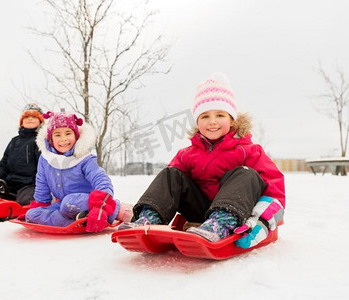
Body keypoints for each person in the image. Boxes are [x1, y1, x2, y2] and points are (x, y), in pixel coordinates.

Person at [119, 73, 285, 249]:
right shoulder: (187, 154)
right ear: (197, 121)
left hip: (237, 212)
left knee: (245, 173)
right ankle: (149, 219)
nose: (212, 122)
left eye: (220, 115)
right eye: (205, 116)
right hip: (201, 212)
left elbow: (275, 187)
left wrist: (262, 221)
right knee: (171, 174)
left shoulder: (249, 151)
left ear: (232, 119)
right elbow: (168, 189)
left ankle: (221, 223)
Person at [25, 110, 133, 232]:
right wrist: (40, 207)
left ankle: (113, 210)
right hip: (63, 207)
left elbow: (102, 180)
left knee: (68, 202)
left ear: (76, 136)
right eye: (57, 135)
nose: (63, 139)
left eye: (68, 133)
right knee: (32, 214)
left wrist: (99, 207)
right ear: (50, 138)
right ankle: (78, 222)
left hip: (89, 202)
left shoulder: (84, 159)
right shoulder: (46, 159)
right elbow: (42, 185)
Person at [0, 103, 44, 205]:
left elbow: (42, 166)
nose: (30, 119)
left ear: (40, 121)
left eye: (34, 117)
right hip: (9, 184)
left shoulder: (40, 141)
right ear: (21, 122)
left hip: (29, 185)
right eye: (27, 117)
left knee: (25, 201)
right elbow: (4, 163)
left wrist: (39, 184)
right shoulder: (14, 141)